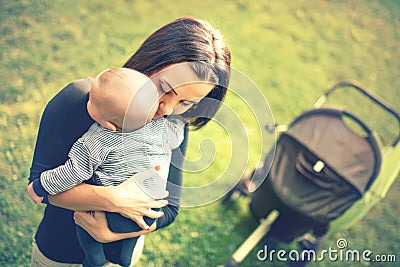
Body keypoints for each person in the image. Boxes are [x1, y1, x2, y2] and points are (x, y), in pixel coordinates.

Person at [28, 16, 231, 267]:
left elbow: (170, 210)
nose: (166, 109)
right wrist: (113, 198)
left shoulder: (173, 124)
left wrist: (114, 234)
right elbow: (42, 188)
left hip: (124, 253)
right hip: (59, 252)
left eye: (186, 102)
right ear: (150, 61)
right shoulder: (79, 100)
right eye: (164, 89)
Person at [27, 67, 185, 267]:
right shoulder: (160, 127)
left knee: (85, 222)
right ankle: (125, 255)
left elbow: (73, 171)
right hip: (149, 207)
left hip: (113, 216)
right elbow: (177, 137)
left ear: (108, 124)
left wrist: (40, 187)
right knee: (131, 228)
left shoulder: (99, 139)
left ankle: (94, 257)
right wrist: (179, 124)